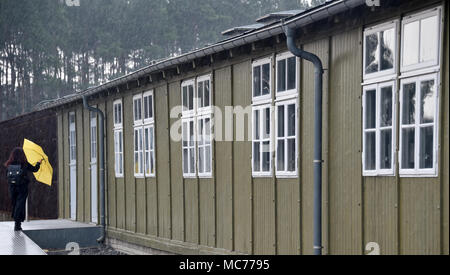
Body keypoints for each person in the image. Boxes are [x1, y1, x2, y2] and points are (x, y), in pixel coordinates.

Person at [3, 147, 41, 231]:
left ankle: (17, 223)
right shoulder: (24, 164)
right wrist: (38, 163)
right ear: (22, 155)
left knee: (15, 204)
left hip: (12, 187)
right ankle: (17, 223)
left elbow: (8, 176)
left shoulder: (9, 164)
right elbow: (35, 169)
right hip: (22, 187)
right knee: (20, 205)